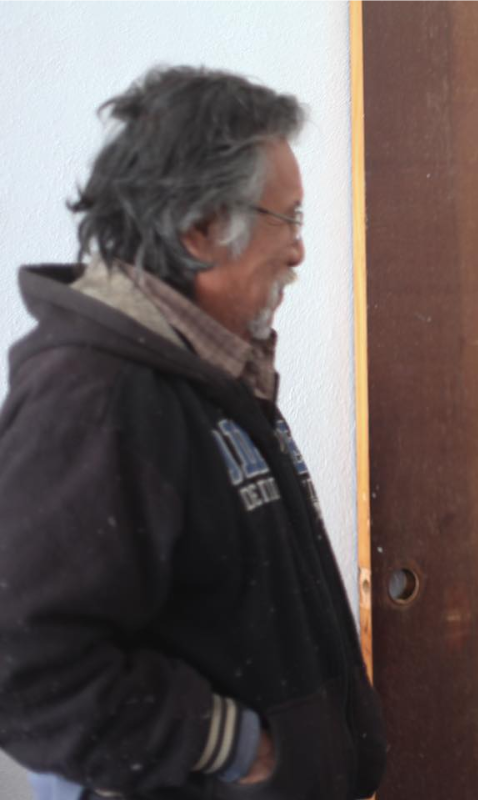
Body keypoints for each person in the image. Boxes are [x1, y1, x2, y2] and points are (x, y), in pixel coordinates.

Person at [0, 67, 386, 800]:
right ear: (202, 228)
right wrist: (245, 751)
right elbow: (24, 665)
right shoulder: (96, 397)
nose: (300, 250)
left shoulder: (208, 373)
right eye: (290, 219)